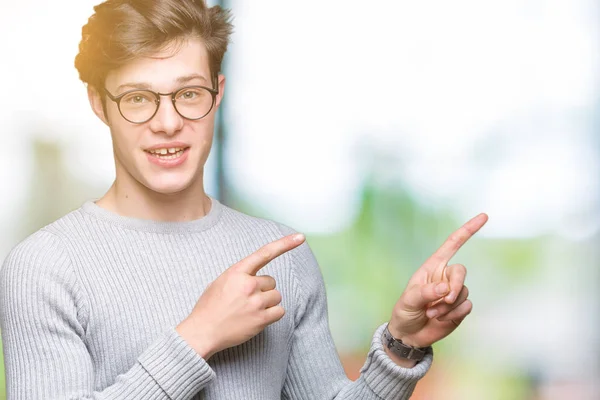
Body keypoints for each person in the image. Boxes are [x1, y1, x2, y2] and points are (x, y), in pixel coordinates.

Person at [0, 0, 487, 399]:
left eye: (188, 94)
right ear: (98, 103)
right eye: (137, 98)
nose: (167, 123)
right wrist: (198, 336)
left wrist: (401, 346)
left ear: (218, 92)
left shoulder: (282, 256)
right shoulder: (45, 267)